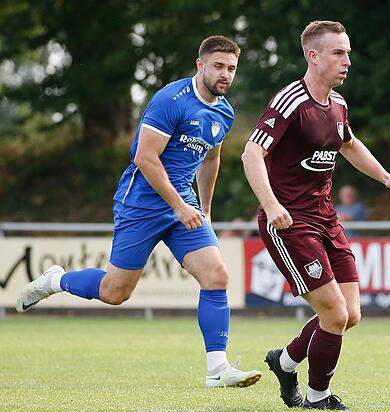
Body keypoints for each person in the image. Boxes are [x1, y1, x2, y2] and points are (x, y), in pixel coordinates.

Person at [15, 36, 262, 388]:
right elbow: (145, 157)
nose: (225, 75)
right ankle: (55, 280)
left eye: (232, 69)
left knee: (216, 275)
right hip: (142, 204)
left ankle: (217, 368)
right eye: (219, 66)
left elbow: (211, 157)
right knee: (115, 293)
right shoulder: (170, 100)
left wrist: (203, 208)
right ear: (200, 65)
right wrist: (178, 204)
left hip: (184, 208)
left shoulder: (223, 111)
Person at [241, 20, 390, 411]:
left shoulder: (338, 105)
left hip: (325, 219)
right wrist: (271, 204)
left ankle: (284, 362)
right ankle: (317, 397)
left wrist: (385, 177)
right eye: (339, 53)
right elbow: (251, 153)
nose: (347, 61)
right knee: (334, 313)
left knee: (350, 314)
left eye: (348, 53)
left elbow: (349, 144)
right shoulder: (291, 101)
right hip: (290, 222)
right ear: (313, 56)